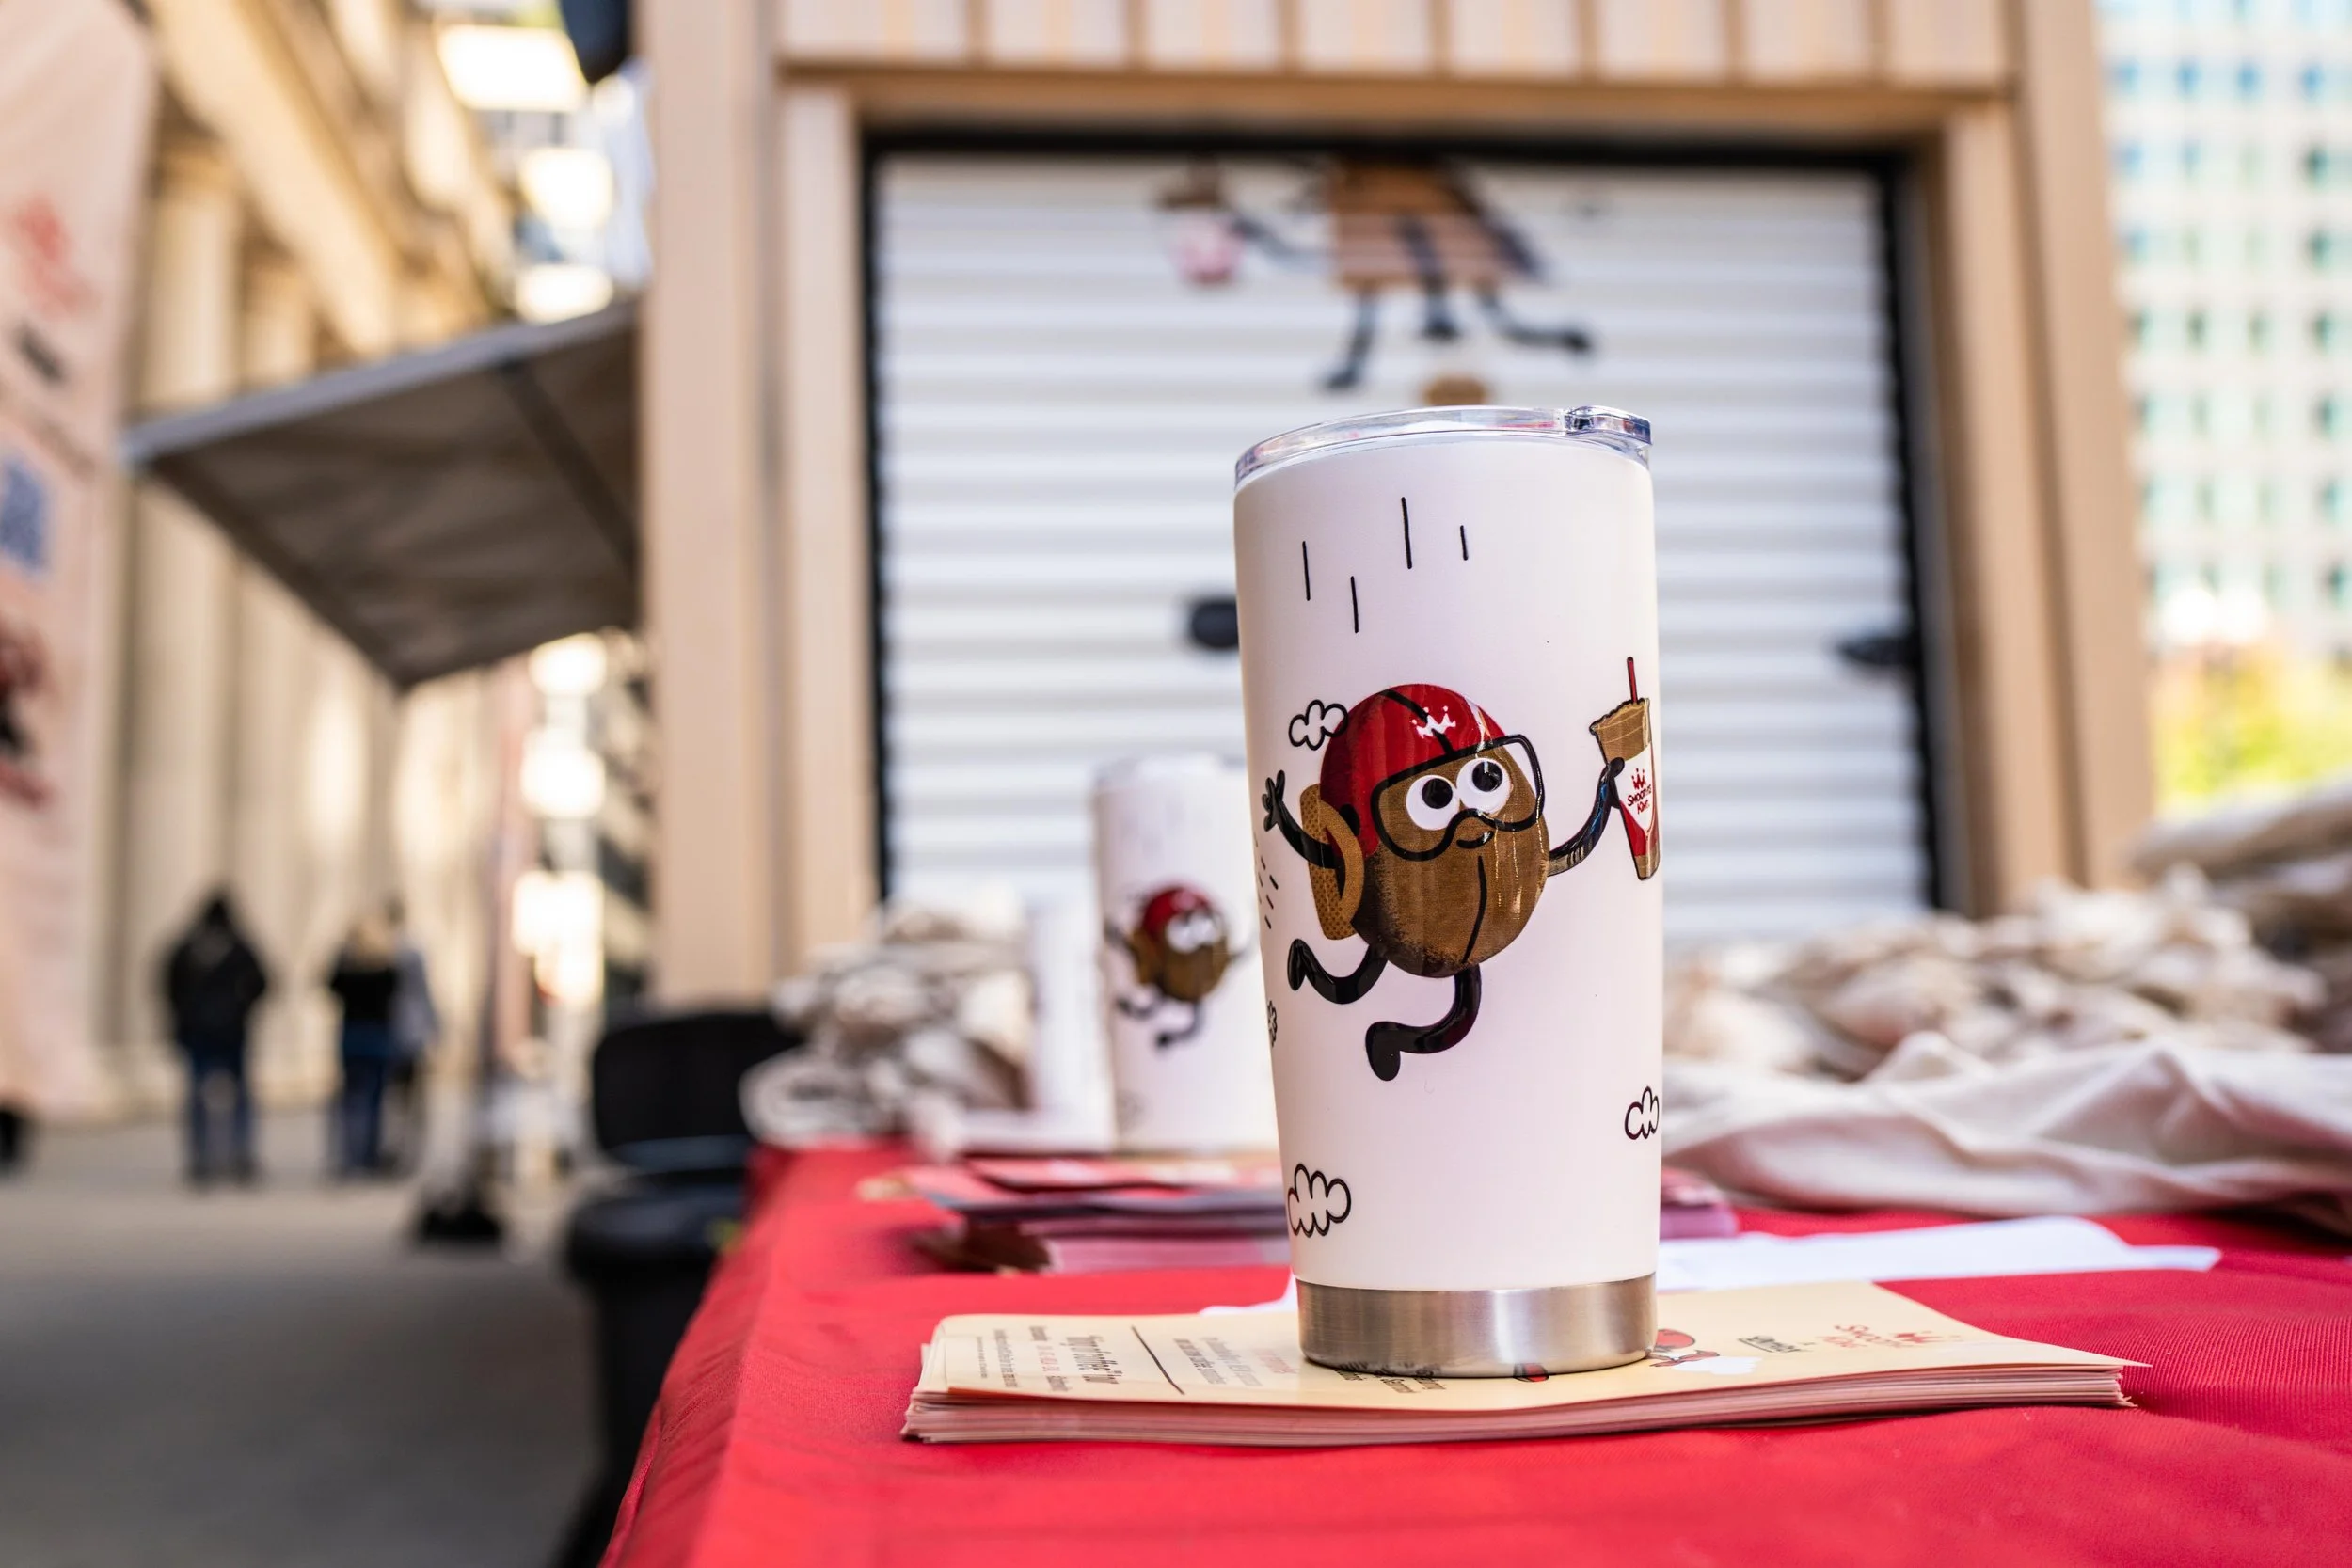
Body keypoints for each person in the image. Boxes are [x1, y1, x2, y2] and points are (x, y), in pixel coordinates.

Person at [163, 892, 270, 1187]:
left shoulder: (187, 948)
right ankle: (239, 1153)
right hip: (231, 1031)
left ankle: (201, 1157)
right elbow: (263, 982)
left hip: (199, 1031)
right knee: (240, 1097)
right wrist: (241, 1006)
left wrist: (183, 1016)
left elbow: (168, 988)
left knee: (197, 1095)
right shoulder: (239, 947)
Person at [326, 913, 401, 1178]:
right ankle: (368, 1155)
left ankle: (350, 1156)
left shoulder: (348, 967)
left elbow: (330, 985)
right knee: (374, 1101)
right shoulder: (386, 965)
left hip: (353, 1036)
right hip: (378, 1036)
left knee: (351, 1100)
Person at [383, 897, 440, 1174]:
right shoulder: (412, 950)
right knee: (410, 1101)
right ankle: (405, 1152)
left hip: (389, 1032)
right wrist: (434, 1028)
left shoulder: (380, 948)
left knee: (392, 1099)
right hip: (409, 1034)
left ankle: (392, 1150)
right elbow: (424, 993)